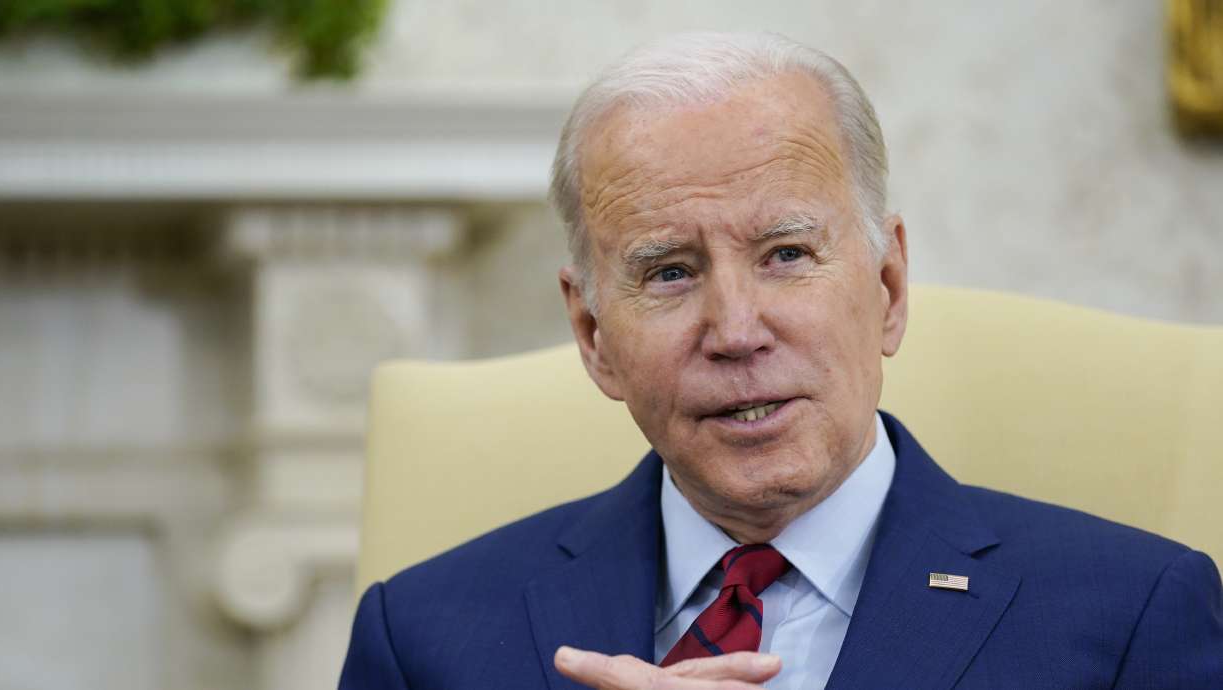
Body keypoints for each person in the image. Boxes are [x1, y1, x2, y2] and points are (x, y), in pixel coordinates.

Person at [338, 32, 1223, 689]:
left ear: (887, 286)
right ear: (594, 334)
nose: (735, 329)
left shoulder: (1131, 616)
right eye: (669, 272)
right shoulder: (423, 638)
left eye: (787, 255)